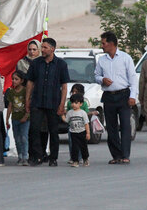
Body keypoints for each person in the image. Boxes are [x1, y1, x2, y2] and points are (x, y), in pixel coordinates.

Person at [94, 31, 138, 165]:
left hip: (124, 95)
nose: (102, 46)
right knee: (111, 127)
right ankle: (116, 155)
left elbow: (133, 79)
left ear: (111, 43)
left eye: (103, 43)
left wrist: (132, 96)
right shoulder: (102, 60)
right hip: (108, 96)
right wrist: (102, 80)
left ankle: (125, 155)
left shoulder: (125, 58)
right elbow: (96, 76)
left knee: (125, 125)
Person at [25, 37, 70, 166]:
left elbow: (64, 86)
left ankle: (53, 158)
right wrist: (27, 100)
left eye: (45, 47)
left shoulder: (61, 64)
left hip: (53, 102)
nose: (42, 50)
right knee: (34, 129)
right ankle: (38, 155)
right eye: (42, 47)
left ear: (52, 49)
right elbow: (30, 82)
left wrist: (62, 104)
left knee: (53, 131)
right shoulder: (36, 63)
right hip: (37, 102)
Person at [6, 71, 29, 166]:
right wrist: (7, 119)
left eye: (16, 79)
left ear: (22, 80)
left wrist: (26, 116)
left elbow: (28, 105)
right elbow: (10, 106)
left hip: (24, 119)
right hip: (15, 118)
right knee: (17, 138)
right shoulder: (11, 92)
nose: (14, 81)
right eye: (13, 79)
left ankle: (25, 156)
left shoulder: (25, 91)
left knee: (24, 137)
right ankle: (19, 156)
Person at [63, 93, 90, 167]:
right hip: (73, 132)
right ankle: (75, 161)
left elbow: (86, 123)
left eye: (76, 103)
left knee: (83, 146)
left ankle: (85, 159)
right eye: (72, 103)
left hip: (82, 132)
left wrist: (88, 133)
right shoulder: (69, 113)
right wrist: (62, 116)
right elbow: (66, 120)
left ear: (81, 104)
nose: (74, 104)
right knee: (74, 147)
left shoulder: (83, 113)